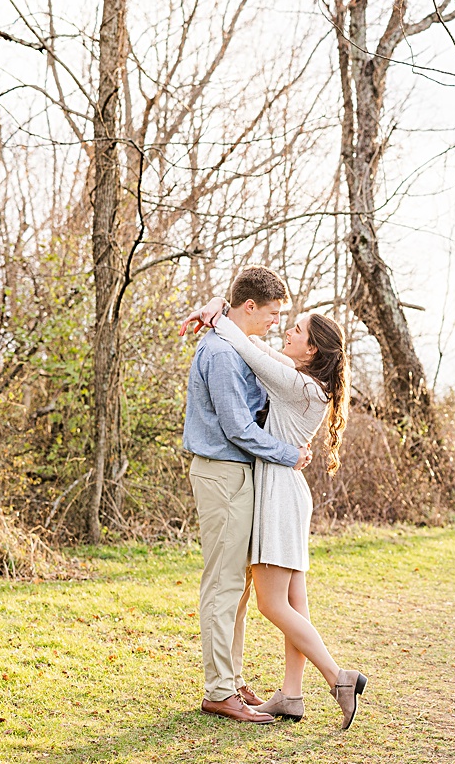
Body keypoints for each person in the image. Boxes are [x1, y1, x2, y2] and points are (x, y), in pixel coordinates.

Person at [183, 294, 368, 731]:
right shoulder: (303, 380)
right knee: (295, 603)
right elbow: (257, 347)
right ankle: (291, 694)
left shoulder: (298, 384)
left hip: (278, 495)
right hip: (288, 492)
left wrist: (219, 315)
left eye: (298, 329)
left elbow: (248, 348)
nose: (286, 330)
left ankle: (338, 676)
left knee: (271, 604)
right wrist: (220, 305)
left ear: (312, 350)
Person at [181, 266, 313, 724]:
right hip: (222, 474)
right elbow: (236, 427)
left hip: (238, 475)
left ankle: (231, 679)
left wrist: (216, 306)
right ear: (250, 306)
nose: (277, 321)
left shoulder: (235, 344)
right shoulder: (219, 352)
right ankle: (219, 690)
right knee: (223, 584)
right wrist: (288, 454)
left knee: (235, 588)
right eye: (273, 313)